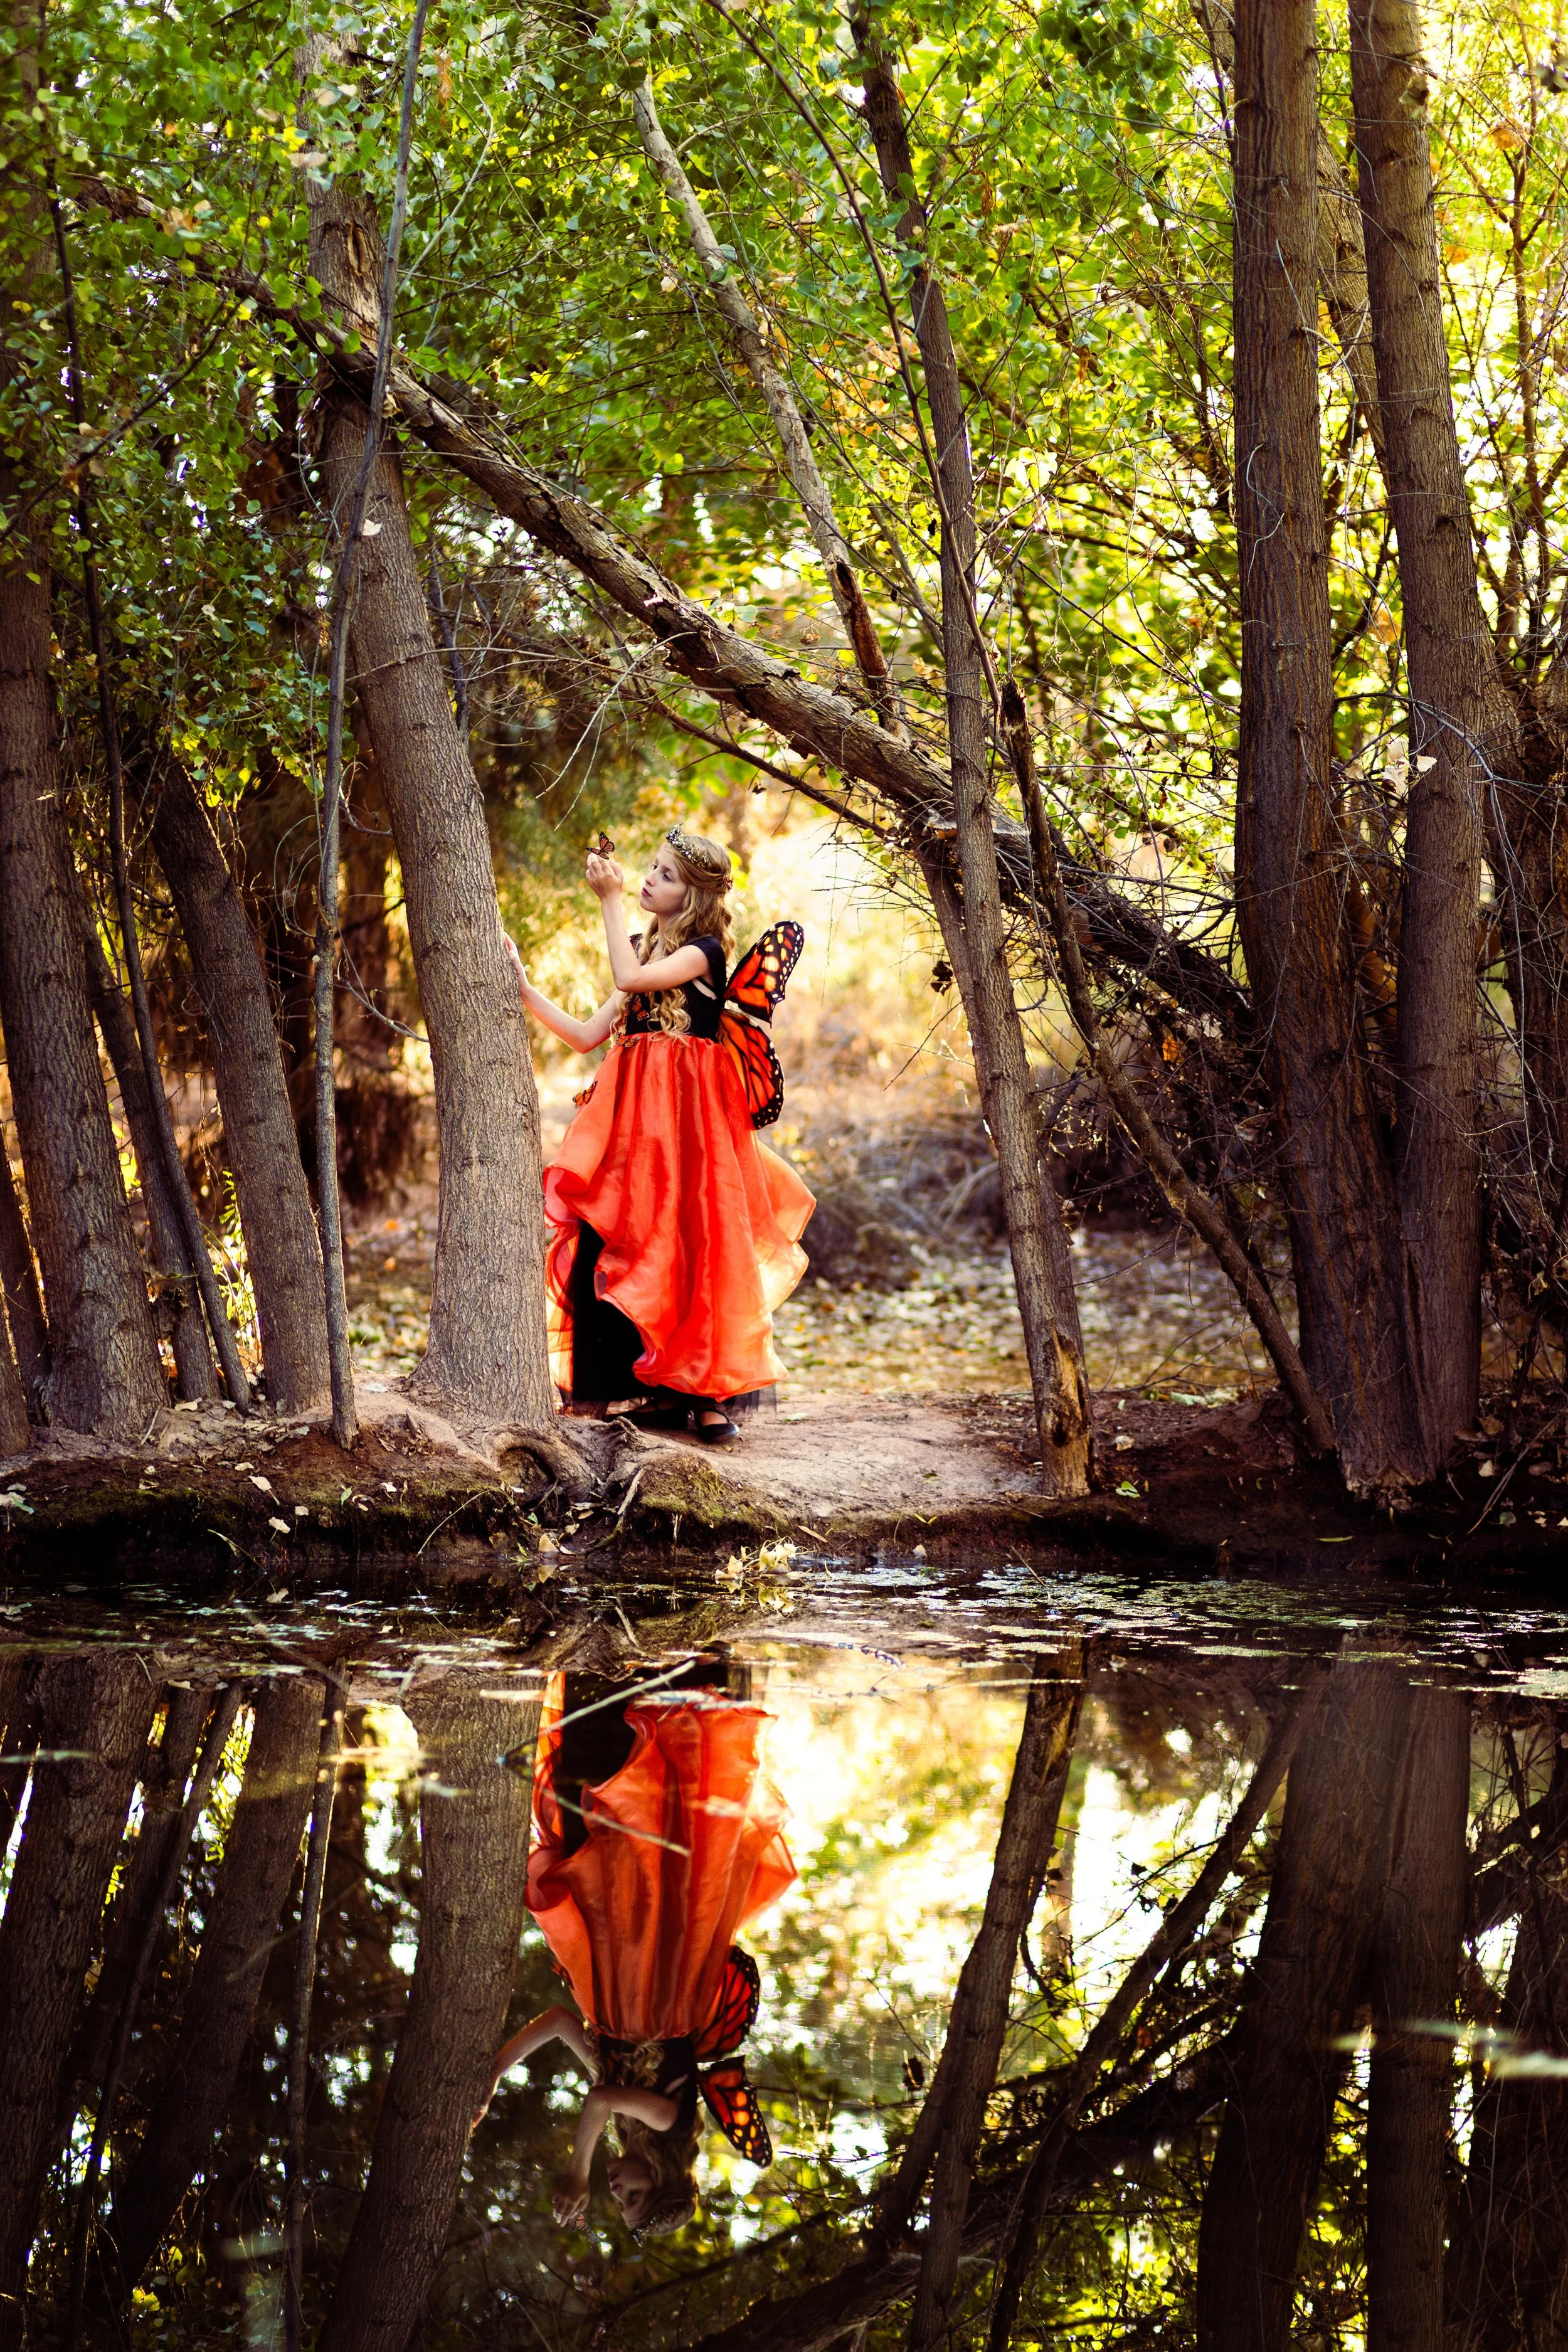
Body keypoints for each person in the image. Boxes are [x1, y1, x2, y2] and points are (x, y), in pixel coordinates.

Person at [505, 827, 813, 1442]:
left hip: (691, 1129)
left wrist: (608, 899)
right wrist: (521, 984)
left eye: (665, 874)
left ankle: (705, 1396)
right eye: (650, 867)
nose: (647, 878)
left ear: (694, 896)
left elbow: (624, 975)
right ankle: (636, 1383)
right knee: (625, 1240)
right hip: (635, 1134)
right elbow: (586, 1035)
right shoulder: (648, 953)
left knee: (696, 1246)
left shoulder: (702, 953)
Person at [477, 1665, 797, 2238]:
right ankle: (682, 1675)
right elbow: (598, 2100)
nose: (616, 2190)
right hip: (648, 1969)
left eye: (616, 2200)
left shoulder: (630, 2099)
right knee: (641, 1841)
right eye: (632, 2198)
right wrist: (575, 2173)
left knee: (587, 1838)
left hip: (616, 1973)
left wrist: (496, 2073)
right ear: (662, 2175)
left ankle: (599, 1682)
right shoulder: (672, 2122)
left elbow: (556, 2023)